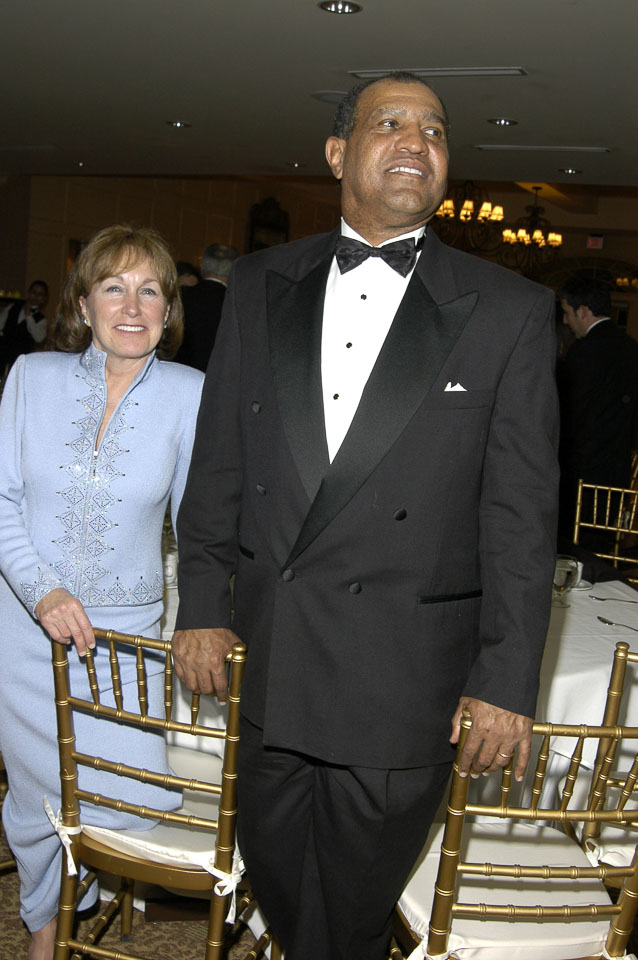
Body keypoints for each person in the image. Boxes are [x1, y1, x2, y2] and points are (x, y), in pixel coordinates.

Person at [173, 73, 559, 960]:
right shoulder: (260, 281)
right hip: (272, 655)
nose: (417, 142)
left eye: (435, 130)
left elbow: (520, 518)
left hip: (403, 676)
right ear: (338, 153)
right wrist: (199, 603)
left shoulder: (510, 310)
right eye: (391, 123)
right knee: (279, 874)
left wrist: (506, 681)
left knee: (350, 905)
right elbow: (220, 460)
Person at [0, 224, 204, 960]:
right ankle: (45, 933)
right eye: (113, 287)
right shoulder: (31, 377)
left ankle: (85, 889)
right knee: (39, 802)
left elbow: (199, 527)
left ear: (168, 309)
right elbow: (1, 500)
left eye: (150, 290)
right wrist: (43, 592)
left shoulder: (191, 395)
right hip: (26, 631)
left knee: (126, 794)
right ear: (83, 305)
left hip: (125, 646)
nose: (132, 306)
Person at [557, 276, 638, 541]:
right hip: (616, 469)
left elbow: (570, 415)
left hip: (582, 472)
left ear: (583, 311)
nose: (565, 321)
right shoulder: (631, 348)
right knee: (600, 541)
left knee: (574, 542)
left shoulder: (582, 354)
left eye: (567, 312)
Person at [175, 242, 239, 371]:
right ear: (234, 270)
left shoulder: (180, 298)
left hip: (179, 374)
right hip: (219, 378)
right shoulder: (238, 305)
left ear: (202, 266)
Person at [0, 280, 49, 373]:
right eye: (34, 292)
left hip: (21, 361)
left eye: (40, 294)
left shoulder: (41, 320)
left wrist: (28, 316)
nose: (36, 296)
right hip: (3, 354)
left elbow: (39, 338)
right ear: (29, 293)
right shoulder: (13, 307)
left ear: (44, 299)